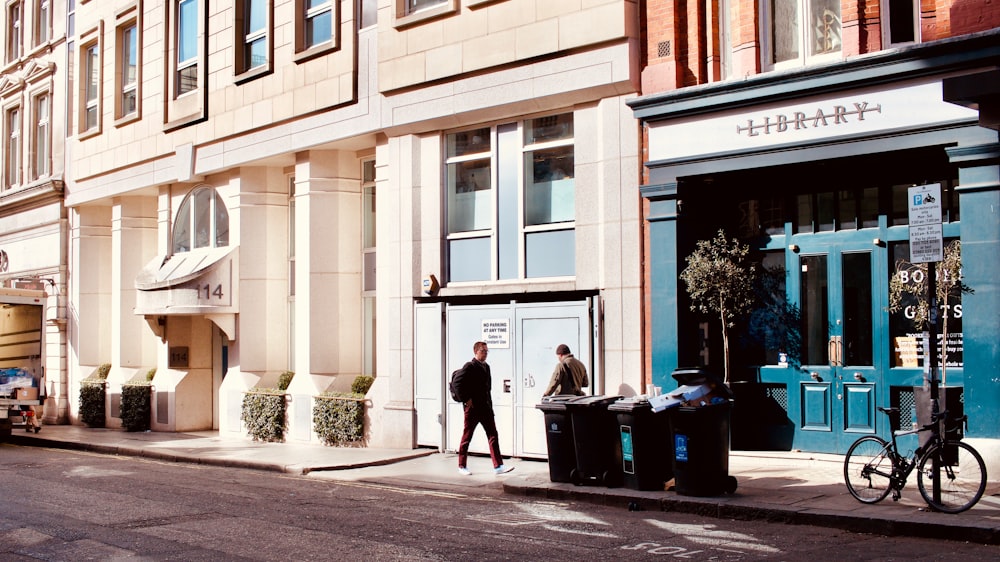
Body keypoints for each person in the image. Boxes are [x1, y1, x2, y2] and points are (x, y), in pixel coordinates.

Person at [456, 341, 514, 476]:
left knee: (493, 435)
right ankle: (461, 465)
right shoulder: (469, 366)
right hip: (473, 409)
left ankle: (498, 466)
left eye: (487, 351)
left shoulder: (487, 367)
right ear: (476, 351)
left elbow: (488, 389)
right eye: (483, 351)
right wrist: (466, 399)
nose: (486, 354)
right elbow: (457, 383)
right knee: (467, 437)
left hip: (486, 408)